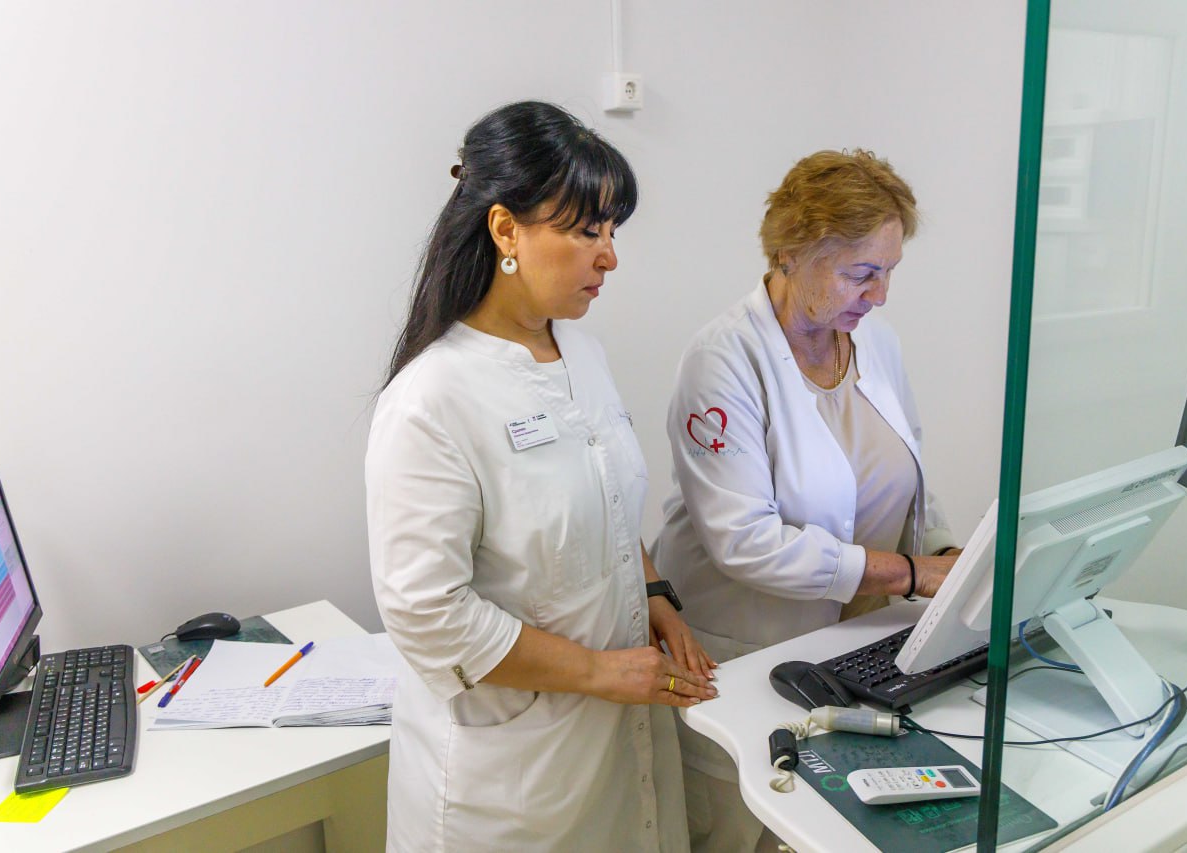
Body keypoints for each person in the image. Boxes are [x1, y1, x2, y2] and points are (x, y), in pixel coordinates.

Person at [366, 101, 717, 853]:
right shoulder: (432, 399)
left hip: (614, 744)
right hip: (510, 784)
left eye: (613, 231)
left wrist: (655, 596)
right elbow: (427, 613)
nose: (609, 256)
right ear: (505, 230)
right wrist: (595, 671)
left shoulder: (581, 354)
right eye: (587, 231)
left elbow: (607, 508)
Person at [650, 149, 962, 852]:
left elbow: (906, 472)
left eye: (890, 271)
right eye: (861, 272)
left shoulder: (873, 341)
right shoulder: (724, 359)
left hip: (854, 654)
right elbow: (745, 542)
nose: (880, 294)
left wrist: (947, 552)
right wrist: (910, 574)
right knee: (738, 835)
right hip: (744, 654)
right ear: (791, 253)